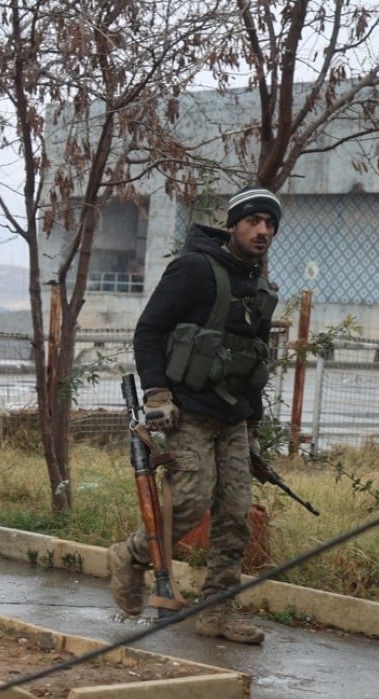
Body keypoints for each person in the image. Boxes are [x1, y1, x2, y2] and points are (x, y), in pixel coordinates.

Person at [109, 186, 281, 645]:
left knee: (235, 514)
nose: (262, 230)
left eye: (269, 224)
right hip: (188, 410)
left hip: (234, 418)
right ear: (234, 225)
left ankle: (218, 612)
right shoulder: (194, 270)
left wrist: (253, 428)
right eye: (253, 221)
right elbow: (149, 329)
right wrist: (157, 393)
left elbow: (255, 358)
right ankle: (130, 556)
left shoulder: (260, 287)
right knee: (189, 501)